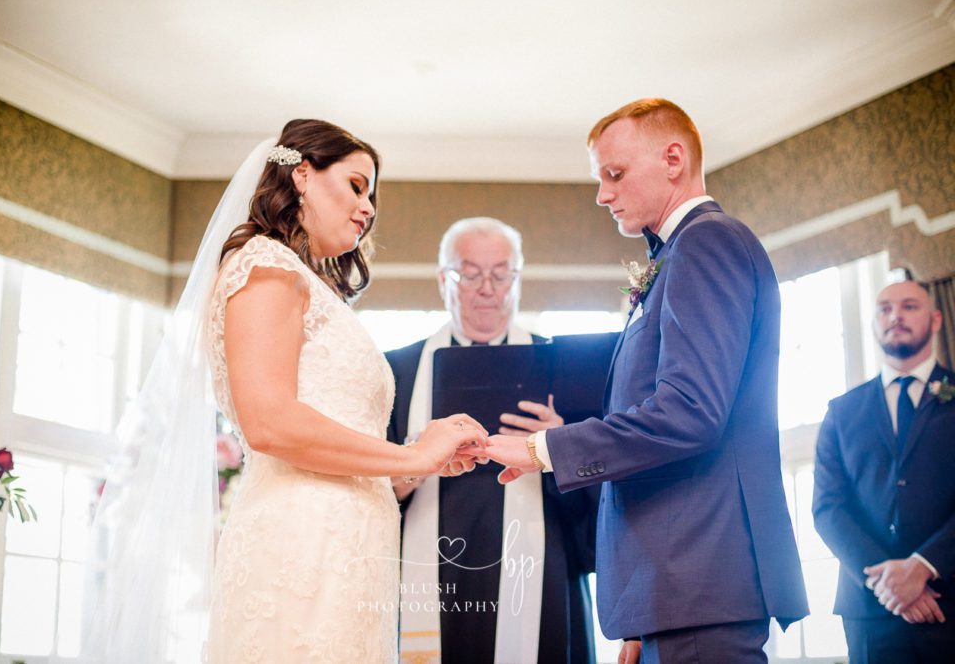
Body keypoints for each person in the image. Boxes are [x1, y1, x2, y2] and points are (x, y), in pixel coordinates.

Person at [77, 120, 485, 664]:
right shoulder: (265, 268)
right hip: (301, 546)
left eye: (372, 196)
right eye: (356, 186)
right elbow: (269, 424)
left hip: (352, 555)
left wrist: (419, 464)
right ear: (303, 175)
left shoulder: (311, 286)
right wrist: (412, 454)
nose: (368, 208)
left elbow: (338, 448)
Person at [484, 98, 809, 661]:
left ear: (673, 160)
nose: (601, 194)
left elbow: (689, 413)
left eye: (614, 174)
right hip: (675, 594)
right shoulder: (676, 255)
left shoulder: (707, 242)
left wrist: (544, 449)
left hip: (700, 583)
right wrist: (643, 616)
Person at [385, 217, 602, 664]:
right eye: (470, 274)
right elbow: (373, 492)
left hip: (545, 574)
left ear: (517, 280)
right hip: (431, 574)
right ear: (442, 279)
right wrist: (415, 459)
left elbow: (603, 488)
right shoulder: (397, 372)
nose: (488, 289)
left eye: (501, 274)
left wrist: (561, 443)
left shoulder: (565, 367)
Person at [813, 279, 954, 662]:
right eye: (885, 309)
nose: (896, 316)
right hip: (869, 610)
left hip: (949, 599)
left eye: (909, 306)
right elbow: (828, 509)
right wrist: (888, 584)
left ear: (936, 319)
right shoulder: (841, 411)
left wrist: (923, 567)